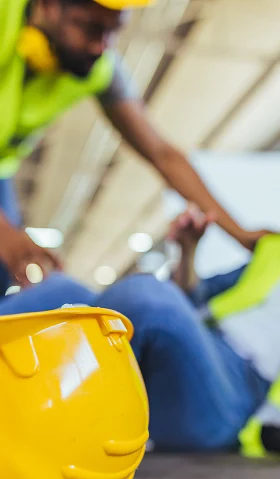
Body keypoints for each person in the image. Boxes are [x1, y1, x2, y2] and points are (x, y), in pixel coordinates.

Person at [3, 132, 280, 456]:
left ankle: (29, 412)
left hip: (236, 402)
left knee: (149, 296)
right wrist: (189, 254)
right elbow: (193, 299)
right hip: (199, 359)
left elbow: (166, 309)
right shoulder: (278, 250)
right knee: (63, 288)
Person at [0, 0, 251, 294]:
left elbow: (163, 154)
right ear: (48, 5)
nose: (101, 46)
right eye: (92, 27)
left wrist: (242, 234)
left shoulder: (101, 69)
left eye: (112, 31)